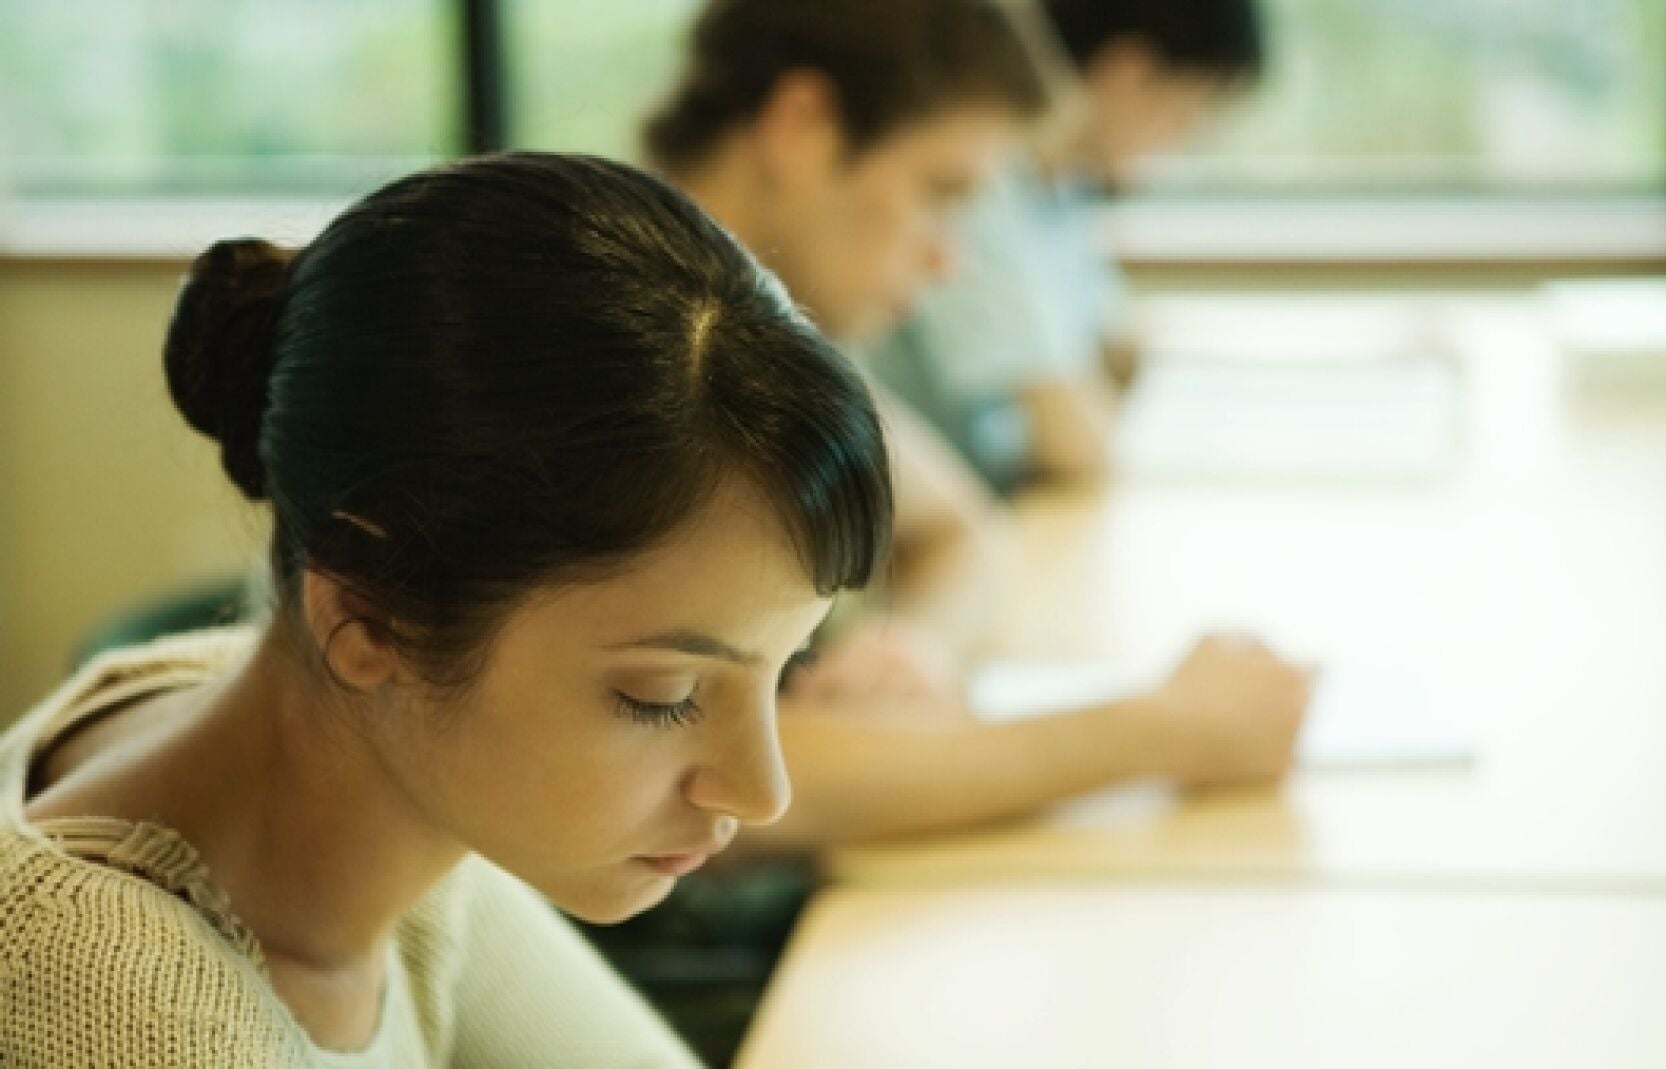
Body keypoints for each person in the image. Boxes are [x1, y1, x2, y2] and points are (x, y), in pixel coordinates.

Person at [2, 152, 894, 1066]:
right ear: (369, 618)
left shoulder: (375, 780)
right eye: (661, 694)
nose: (762, 791)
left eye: (791, 660)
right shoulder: (106, 1003)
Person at [644, 0, 1308, 850]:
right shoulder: (647, 350)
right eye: (941, 194)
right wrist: (1162, 730)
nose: (950, 258)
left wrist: (907, 647)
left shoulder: (760, 330)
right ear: (803, 126)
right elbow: (694, 779)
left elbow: (962, 530)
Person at [869, 0, 1269, 490]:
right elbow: (1073, 444)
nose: (1177, 145)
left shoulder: (1062, 189)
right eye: (1183, 115)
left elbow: (1120, 355)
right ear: (1127, 73)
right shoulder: (978, 190)